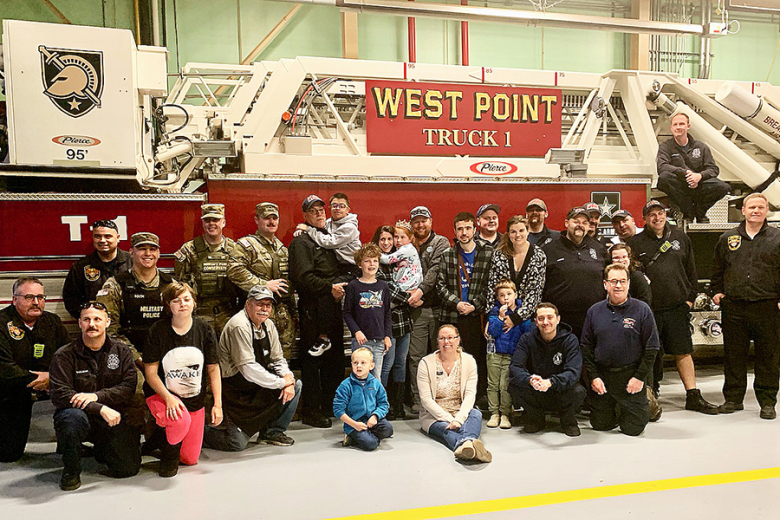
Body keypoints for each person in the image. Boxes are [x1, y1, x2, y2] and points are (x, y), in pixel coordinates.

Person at [629, 200, 718, 414]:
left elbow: (691, 270)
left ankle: (693, 395)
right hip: (649, 309)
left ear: (665, 215)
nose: (657, 217)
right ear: (644, 219)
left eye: (660, 213)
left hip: (677, 306)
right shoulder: (635, 242)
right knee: (651, 353)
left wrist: (690, 298)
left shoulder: (680, 237)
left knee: (683, 352)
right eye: (652, 214)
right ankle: (651, 396)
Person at [49, 301, 141, 491]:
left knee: (127, 468)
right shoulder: (64, 355)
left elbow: (128, 387)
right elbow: (60, 394)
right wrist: (99, 407)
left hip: (112, 417)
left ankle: (102, 449)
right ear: (79, 323)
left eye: (97, 319)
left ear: (107, 322)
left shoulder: (122, 351)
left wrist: (97, 397)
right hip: (79, 415)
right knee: (71, 419)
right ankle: (71, 470)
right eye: (87, 319)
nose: (92, 324)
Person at [204, 286, 301, 451]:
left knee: (296, 386)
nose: (264, 309)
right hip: (236, 393)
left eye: (268, 305)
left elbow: (278, 359)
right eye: (260, 304)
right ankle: (200, 433)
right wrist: (280, 383)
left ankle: (271, 433)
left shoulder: (269, 325)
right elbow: (248, 369)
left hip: (258, 385)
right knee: (237, 444)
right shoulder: (239, 326)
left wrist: (288, 378)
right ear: (248, 305)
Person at [142, 281, 223, 477]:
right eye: (176, 301)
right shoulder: (157, 330)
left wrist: (218, 404)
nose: (182, 304)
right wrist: (168, 398)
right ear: (168, 305)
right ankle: (168, 457)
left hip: (194, 399)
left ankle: (158, 438)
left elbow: (213, 369)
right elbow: (150, 372)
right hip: (162, 395)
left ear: (194, 302)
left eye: (187, 299)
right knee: (179, 421)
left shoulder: (204, 329)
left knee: (190, 459)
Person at [712, 193, 780, 419]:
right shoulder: (728, 238)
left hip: (767, 305)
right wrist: (717, 291)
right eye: (751, 207)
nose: (756, 211)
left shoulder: (777, 238)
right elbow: (718, 268)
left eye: (760, 207)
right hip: (734, 306)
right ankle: (733, 399)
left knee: (768, 356)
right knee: (733, 356)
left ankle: (767, 402)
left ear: (767, 210)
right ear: (743, 210)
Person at [581, 264, 660, 436]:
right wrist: (594, 377)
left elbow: (652, 348)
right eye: (613, 281)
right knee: (601, 425)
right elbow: (586, 347)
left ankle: (645, 396)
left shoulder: (642, 309)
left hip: (630, 376)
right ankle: (616, 407)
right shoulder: (594, 311)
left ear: (629, 284)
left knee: (633, 429)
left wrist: (639, 378)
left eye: (623, 281)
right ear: (605, 284)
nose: (618, 286)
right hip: (603, 377)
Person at [289, 194, 346, 428]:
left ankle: (331, 406)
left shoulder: (328, 238)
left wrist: (340, 285)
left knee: (334, 360)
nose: (320, 213)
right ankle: (312, 411)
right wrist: (329, 287)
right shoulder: (301, 243)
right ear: (305, 216)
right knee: (313, 362)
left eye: (322, 210)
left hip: (332, 307)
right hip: (312, 310)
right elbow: (302, 278)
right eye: (313, 211)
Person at [0, 277, 69, 463]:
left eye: (40, 297)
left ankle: (70, 442)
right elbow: (4, 368)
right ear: (14, 299)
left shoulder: (52, 322)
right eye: (29, 297)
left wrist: (53, 378)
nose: (36, 302)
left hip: (52, 384)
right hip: (12, 391)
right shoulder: (1, 324)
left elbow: (69, 358)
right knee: (8, 455)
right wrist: (38, 380)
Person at [436, 212, 493, 404]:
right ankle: (452, 396)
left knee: (476, 358)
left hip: (477, 316)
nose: (464, 232)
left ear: (475, 229)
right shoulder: (448, 255)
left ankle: (476, 396)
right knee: (451, 357)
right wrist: (457, 303)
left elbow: (492, 285)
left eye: (468, 228)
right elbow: (440, 285)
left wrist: (474, 305)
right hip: (452, 315)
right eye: (460, 229)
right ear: (454, 231)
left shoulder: (487, 253)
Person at [228, 202, 297, 359]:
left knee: (282, 359)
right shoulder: (247, 245)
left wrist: (294, 313)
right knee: (257, 358)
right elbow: (234, 270)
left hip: (282, 315)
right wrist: (263, 285)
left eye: (274, 218)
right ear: (257, 220)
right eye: (266, 218)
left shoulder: (281, 248)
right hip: (257, 314)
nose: (271, 222)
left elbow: (288, 284)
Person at [417, 324, 492, 463]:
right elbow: (426, 400)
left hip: (460, 411)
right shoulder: (425, 363)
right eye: (442, 338)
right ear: (437, 341)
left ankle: (464, 446)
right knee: (446, 430)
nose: (446, 342)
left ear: (458, 340)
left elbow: (470, 395)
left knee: (476, 414)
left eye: (450, 337)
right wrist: (449, 419)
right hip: (434, 416)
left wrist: (459, 419)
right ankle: (470, 444)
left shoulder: (469, 361)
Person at [97, 232, 175, 364]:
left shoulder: (171, 285)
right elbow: (108, 328)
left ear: (158, 253)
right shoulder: (115, 285)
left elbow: (182, 323)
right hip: (127, 357)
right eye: (142, 249)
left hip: (167, 355)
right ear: (131, 252)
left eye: (152, 249)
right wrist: (137, 359)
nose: (148, 253)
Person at [509, 303, 585, 437]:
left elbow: (573, 371)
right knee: (513, 385)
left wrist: (551, 382)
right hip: (536, 389)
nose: (545, 322)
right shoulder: (527, 339)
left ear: (558, 319)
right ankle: (536, 418)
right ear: (535, 322)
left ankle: (568, 421)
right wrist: (530, 380)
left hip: (560, 390)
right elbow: (515, 366)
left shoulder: (570, 340)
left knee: (578, 391)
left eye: (550, 317)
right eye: (541, 318)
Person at [175, 204, 242, 337]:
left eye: (215, 220)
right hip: (199, 315)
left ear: (223, 222)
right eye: (207, 220)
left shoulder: (235, 250)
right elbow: (180, 285)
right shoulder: (189, 250)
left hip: (228, 315)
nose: (211, 224)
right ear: (203, 223)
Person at [407, 206, 450, 411]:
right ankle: (419, 400)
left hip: (439, 309)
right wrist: (410, 297)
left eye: (423, 220)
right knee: (416, 357)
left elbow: (435, 270)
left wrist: (420, 292)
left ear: (430, 222)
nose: (420, 224)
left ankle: (441, 398)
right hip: (416, 310)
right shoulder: (406, 244)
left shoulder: (441, 242)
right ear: (411, 224)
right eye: (416, 221)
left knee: (441, 356)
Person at [541, 207, 607, 340]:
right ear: (566, 223)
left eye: (584, 223)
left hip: (593, 317)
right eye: (576, 221)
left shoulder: (599, 248)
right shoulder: (549, 249)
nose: (580, 225)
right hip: (560, 320)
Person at [657, 112, 730, 223]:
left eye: (681, 124)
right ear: (671, 128)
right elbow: (662, 167)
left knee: (723, 187)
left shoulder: (701, 147)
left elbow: (713, 169)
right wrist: (685, 173)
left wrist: (699, 176)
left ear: (688, 126)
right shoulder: (666, 147)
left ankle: (700, 212)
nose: (678, 127)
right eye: (675, 124)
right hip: (679, 185)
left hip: (699, 184)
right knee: (664, 178)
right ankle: (688, 213)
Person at [372, 225, 413, 419]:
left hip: (404, 318)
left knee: (401, 363)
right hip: (387, 322)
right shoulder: (376, 264)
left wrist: (412, 294)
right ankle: (384, 404)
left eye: (390, 239)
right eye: (383, 239)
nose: (387, 243)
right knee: (386, 364)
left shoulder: (401, 259)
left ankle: (398, 405)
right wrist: (411, 297)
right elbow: (387, 290)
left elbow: (411, 279)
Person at [62, 219, 132, 320]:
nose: (102, 240)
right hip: (95, 325)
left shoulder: (133, 263)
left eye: (108, 236)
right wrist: (89, 318)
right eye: (97, 236)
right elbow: (71, 300)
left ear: (117, 238)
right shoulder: (80, 267)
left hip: (128, 324)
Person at [486, 215, 547, 329]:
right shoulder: (499, 254)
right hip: (501, 315)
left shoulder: (538, 256)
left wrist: (516, 318)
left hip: (527, 318)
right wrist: (492, 318)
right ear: (508, 234)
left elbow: (535, 292)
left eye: (521, 230)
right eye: (513, 231)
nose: (518, 235)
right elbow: (492, 288)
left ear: (528, 231)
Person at [343, 243, 392, 379]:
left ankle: (375, 395)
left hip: (378, 342)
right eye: (367, 261)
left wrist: (387, 336)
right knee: (360, 377)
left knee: (375, 378)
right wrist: (356, 331)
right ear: (360, 264)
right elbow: (347, 313)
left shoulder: (383, 286)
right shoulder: (353, 286)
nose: (372, 264)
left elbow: (387, 313)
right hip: (360, 342)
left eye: (375, 261)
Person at [485, 280, 528, 429]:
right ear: (497, 298)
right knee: (493, 384)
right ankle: (494, 412)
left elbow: (527, 332)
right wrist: (500, 317)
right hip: (495, 353)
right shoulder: (495, 312)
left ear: (515, 294)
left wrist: (517, 319)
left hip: (512, 355)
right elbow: (493, 332)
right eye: (502, 295)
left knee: (505, 385)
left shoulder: (522, 312)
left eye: (509, 294)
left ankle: (505, 413)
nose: (506, 298)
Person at [333, 347, 393, 451]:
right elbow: (338, 410)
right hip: (354, 423)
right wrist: (354, 424)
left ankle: (366, 435)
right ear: (351, 364)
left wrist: (375, 416)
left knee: (388, 430)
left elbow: (383, 404)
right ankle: (353, 437)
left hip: (371, 420)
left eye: (363, 363)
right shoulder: (345, 385)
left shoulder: (376, 383)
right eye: (355, 363)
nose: (359, 366)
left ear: (371, 366)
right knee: (371, 444)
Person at [297, 192, 361, 284]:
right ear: (330, 208)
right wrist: (301, 230)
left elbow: (329, 242)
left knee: (334, 286)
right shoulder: (328, 223)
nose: (337, 208)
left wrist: (308, 229)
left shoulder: (350, 227)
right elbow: (319, 228)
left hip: (351, 267)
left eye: (342, 206)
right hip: (339, 267)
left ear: (347, 210)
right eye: (334, 205)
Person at [379, 220, 423, 292]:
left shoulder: (407, 249)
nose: (398, 240)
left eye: (402, 237)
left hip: (409, 283)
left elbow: (388, 259)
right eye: (396, 237)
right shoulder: (401, 248)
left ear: (410, 238)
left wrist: (375, 253)